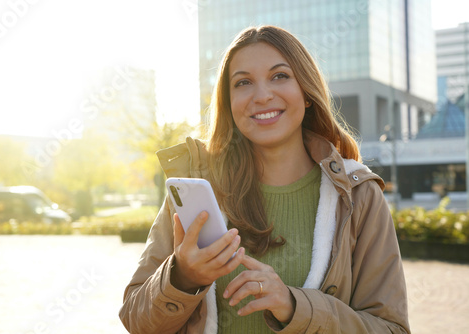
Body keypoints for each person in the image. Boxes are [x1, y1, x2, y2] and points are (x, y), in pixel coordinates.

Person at [119, 25, 410, 333]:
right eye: (243, 82)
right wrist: (182, 277)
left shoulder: (358, 196)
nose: (261, 96)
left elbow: (391, 329)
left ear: (307, 93)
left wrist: (293, 306)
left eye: (279, 76)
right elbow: (136, 321)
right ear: (229, 103)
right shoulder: (195, 192)